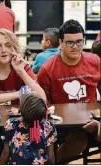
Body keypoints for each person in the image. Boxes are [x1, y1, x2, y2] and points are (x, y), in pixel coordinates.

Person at [0, 28, 47, 164]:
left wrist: (21, 72)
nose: (4, 50)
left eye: (8, 45)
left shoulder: (21, 66)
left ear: (14, 48)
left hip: (20, 124)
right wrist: (18, 94)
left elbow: (42, 99)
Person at [37, 19, 101, 163]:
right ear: (60, 43)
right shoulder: (47, 69)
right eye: (70, 42)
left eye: (79, 42)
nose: (75, 47)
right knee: (78, 139)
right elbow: (42, 103)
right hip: (61, 124)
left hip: (91, 120)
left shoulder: (95, 61)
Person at [0, 92, 57, 165]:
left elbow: (5, 153)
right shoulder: (49, 127)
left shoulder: (10, 124)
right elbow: (51, 156)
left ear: (21, 109)